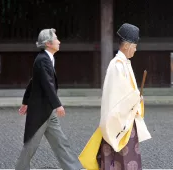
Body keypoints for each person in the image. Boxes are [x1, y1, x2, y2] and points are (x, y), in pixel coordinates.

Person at [79, 23, 151, 170]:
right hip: (119, 121)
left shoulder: (124, 63)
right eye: (135, 46)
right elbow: (118, 96)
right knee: (121, 157)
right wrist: (136, 97)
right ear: (126, 46)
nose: (136, 49)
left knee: (126, 156)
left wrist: (137, 97)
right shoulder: (116, 65)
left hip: (127, 118)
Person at [15, 28, 82, 170]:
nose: (59, 41)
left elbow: (34, 82)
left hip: (48, 110)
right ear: (48, 43)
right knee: (31, 144)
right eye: (56, 39)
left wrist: (25, 101)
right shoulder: (43, 60)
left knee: (60, 142)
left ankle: (74, 168)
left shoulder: (47, 58)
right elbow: (47, 84)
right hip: (41, 111)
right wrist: (58, 104)